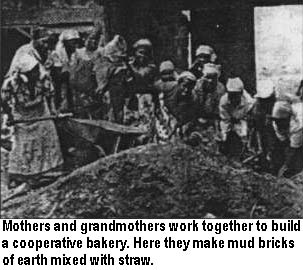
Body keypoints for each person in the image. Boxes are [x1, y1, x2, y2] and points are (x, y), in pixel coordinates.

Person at [1, 53, 63, 189]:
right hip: (22, 115)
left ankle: (49, 172)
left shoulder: (43, 77)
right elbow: (4, 100)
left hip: (41, 111)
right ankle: (21, 175)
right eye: (31, 72)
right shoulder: (12, 83)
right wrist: (10, 117)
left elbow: (50, 94)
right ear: (24, 74)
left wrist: (53, 111)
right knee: (22, 145)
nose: (35, 73)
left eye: (36, 69)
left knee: (47, 139)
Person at [125, 39, 159, 143]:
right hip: (132, 99)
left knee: (145, 124)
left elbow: (140, 76)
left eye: (145, 53)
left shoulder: (151, 67)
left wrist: (129, 66)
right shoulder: (132, 65)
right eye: (140, 52)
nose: (142, 56)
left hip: (145, 99)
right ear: (135, 53)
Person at [94, 34, 130, 123]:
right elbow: (104, 81)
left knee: (119, 111)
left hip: (119, 91)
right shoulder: (106, 66)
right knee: (111, 111)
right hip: (112, 91)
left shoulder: (121, 67)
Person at [219, 77, 255, 157]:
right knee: (225, 137)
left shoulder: (248, 102)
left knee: (244, 135)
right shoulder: (224, 101)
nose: (233, 98)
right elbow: (225, 119)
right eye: (231, 95)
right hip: (230, 119)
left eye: (236, 95)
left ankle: (245, 150)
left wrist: (244, 133)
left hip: (243, 119)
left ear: (241, 93)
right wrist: (225, 135)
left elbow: (248, 116)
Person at [270, 100, 303, 177]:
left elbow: (293, 149)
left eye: (281, 121)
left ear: (289, 118)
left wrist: (285, 166)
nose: (279, 124)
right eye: (277, 121)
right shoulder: (276, 123)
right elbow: (284, 142)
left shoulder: (298, 124)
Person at [50, 29, 80, 112]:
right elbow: (58, 76)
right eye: (73, 42)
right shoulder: (56, 53)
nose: (75, 45)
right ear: (66, 43)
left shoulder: (75, 54)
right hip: (57, 83)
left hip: (69, 82)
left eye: (76, 42)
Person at [250, 80, 277, 167]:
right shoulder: (257, 107)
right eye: (264, 100)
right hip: (261, 128)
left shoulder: (277, 104)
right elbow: (257, 128)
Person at [194, 63, 225, 130]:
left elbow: (219, 109)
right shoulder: (197, 86)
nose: (210, 80)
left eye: (213, 77)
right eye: (208, 77)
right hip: (197, 118)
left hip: (213, 118)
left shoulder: (220, 88)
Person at [154, 61, 178, 141]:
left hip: (174, 113)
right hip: (162, 113)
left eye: (169, 73)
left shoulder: (177, 84)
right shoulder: (158, 85)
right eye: (164, 74)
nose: (167, 76)